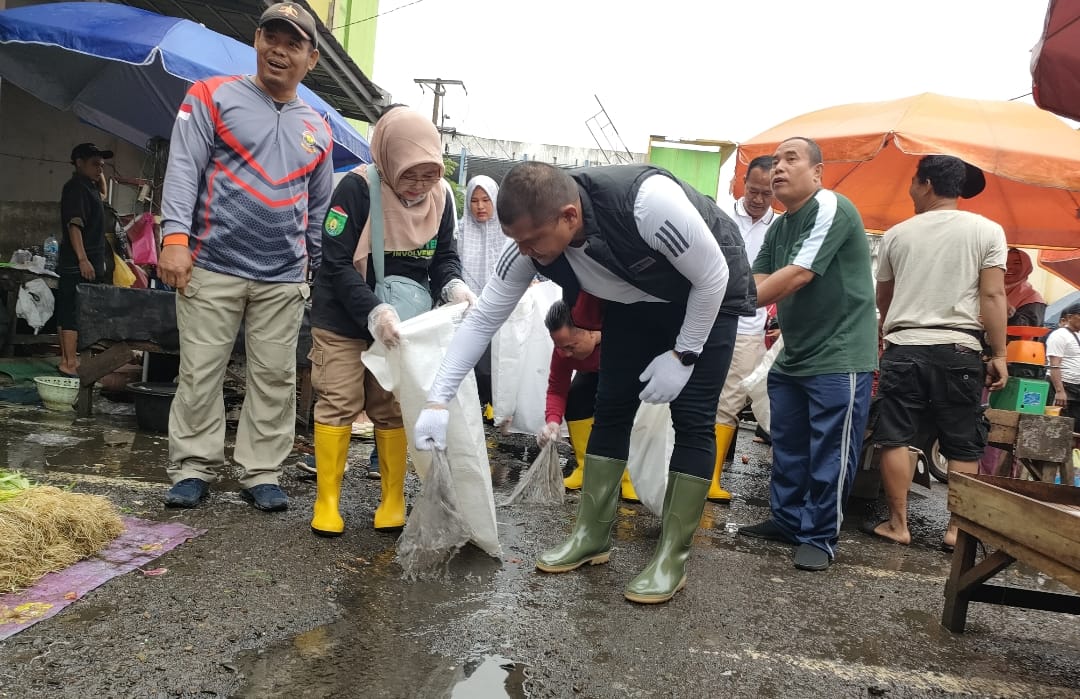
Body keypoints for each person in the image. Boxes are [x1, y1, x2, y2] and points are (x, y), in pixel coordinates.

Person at [413, 161, 754, 604]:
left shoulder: (647, 205)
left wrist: (683, 353)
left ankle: (672, 555)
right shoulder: (531, 242)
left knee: (692, 418)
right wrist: (437, 398)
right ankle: (592, 534)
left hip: (707, 295)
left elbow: (712, 276)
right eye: (518, 241)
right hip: (632, 301)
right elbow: (483, 319)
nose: (525, 252)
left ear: (569, 216)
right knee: (610, 406)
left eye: (533, 241)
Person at [158, 2, 332, 511]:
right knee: (200, 371)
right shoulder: (211, 95)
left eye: (293, 43)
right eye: (271, 37)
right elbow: (184, 169)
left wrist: (313, 268)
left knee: (276, 376)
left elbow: (318, 207)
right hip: (210, 263)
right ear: (256, 40)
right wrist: (174, 239)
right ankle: (192, 467)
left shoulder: (318, 126)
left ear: (311, 58)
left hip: (282, 276)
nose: (279, 51)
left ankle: (261, 472)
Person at [308, 106, 472, 535]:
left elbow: (444, 259)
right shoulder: (357, 190)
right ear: (387, 159)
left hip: (405, 324)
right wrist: (373, 311)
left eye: (429, 174)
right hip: (344, 316)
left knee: (390, 406)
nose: (419, 186)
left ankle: (392, 500)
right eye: (409, 174)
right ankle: (327, 503)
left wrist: (453, 287)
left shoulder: (443, 200)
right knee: (339, 400)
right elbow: (336, 261)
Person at [737, 137, 877, 572]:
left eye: (790, 159)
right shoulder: (779, 225)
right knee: (789, 444)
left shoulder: (830, 207)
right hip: (794, 352)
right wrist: (737, 297)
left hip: (840, 353)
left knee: (830, 450)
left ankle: (819, 535)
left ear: (817, 172)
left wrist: (727, 303)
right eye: (776, 160)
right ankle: (787, 519)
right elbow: (759, 274)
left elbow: (796, 275)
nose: (778, 167)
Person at [866, 155, 1008, 550]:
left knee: (897, 436)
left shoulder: (897, 234)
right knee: (962, 440)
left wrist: (884, 335)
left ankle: (898, 524)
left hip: (906, 345)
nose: (911, 190)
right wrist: (999, 353)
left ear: (927, 183)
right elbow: (993, 294)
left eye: (914, 182)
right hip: (960, 348)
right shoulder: (987, 231)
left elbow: (884, 298)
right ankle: (956, 531)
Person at [708, 155, 777, 501]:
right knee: (697, 395)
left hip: (750, 326)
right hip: (708, 318)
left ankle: (711, 477)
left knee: (730, 401)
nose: (759, 199)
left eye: (767, 193)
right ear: (742, 184)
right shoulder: (717, 215)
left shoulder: (779, 227)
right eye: (753, 190)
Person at [537, 295, 638, 501]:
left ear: (592, 331)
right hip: (594, 373)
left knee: (618, 410)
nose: (565, 354)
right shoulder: (563, 353)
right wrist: (553, 422)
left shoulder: (621, 336)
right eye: (559, 347)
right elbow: (557, 389)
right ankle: (586, 467)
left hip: (631, 375)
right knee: (576, 397)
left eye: (571, 346)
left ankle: (632, 476)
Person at [56, 143, 113, 377]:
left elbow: (102, 194)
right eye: (94, 164)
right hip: (78, 262)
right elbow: (74, 225)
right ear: (79, 162)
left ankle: (68, 360)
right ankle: (69, 363)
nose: (99, 169)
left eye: (101, 164)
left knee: (70, 309)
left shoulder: (87, 187)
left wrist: (99, 172)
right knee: (72, 312)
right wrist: (83, 259)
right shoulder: (76, 188)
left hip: (86, 261)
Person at [458, 175, 503, 410]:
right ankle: (476, 404)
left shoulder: (507, 231)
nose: (480, 207)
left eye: (486, 200)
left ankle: (497, 404)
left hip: (502, 307)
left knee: (499, 359)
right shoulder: (461, 230)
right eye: (474, 201)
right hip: (469, 306)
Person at [1046, 303, 1080, 429]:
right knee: (1059, 424)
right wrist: (1060, 391)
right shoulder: (1059, 335)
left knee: (1075, 426)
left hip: (1077, 387)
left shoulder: (1078, 335)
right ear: (1070, 317)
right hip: (1063, 385)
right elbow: (1054, 365)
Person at [1004, 248, 1046, 327]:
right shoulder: (988, 290)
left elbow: (1027, 328)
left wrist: (1009, 312)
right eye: (1005, 263)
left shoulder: (1032, 299)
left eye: (1016, 263)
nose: (1009, 267)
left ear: (1026, 267)